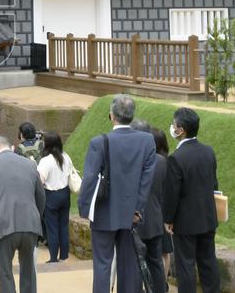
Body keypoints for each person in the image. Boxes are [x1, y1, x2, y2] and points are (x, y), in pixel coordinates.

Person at [78, 94, 156, 293]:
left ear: (112, 116)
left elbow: (89, 180)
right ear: (132, 115)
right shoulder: (147, 141)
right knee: (129, 267)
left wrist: (85, 208)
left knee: (102, 264)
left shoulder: (99, 142)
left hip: (105, 211)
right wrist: (137, 209)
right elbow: (146, 181)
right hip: (132, 214)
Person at [0, 135, 45, 293]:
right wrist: (36, 217)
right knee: (28, 271)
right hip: (30, 224)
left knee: (5, 273)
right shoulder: (30, 164)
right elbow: (41, 196)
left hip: (2, 225)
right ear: (11, 147)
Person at [165, 108, 220, 293]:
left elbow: (172, 194)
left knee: (186, 267)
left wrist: (168, 219)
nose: (172, 128)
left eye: (174, 124)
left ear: (181, 130)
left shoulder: (176, 159)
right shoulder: (208, 152)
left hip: (185, 223)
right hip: (208, 218)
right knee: (209, 263)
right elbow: (213, 184)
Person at [131, 121, 170, 293]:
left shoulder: (128, 161)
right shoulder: (162, 161)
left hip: (133, 220)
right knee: (156, 263)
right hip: (155, 219)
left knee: (133, 265)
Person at [37, 131, 75, 263]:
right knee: (63, 226)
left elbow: (40, 180)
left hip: (51, 195)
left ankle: (53, 257)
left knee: (52, 227)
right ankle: (64, 256)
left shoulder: (46, 161)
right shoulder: (66, 157)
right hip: (65, 194)